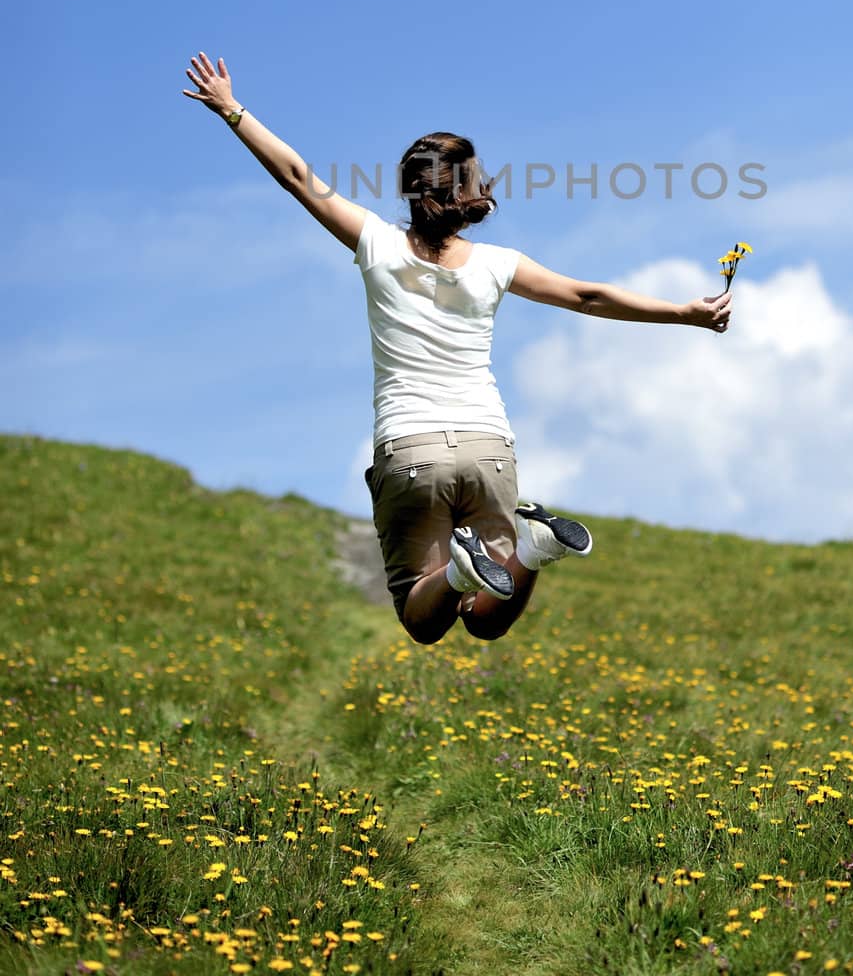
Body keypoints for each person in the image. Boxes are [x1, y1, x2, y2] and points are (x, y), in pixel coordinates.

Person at [183, 52, 733, 646]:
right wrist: (685, 313)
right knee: (486, 619)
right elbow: (587, 296)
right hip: (488, 447)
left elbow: (297, 177)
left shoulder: (377, 243)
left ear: (411, 190)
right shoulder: (498, 264)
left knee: (423, 618)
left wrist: (232, 109)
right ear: (469, 189)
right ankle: (535, 547)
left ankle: (453, 571)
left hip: (412, 445)